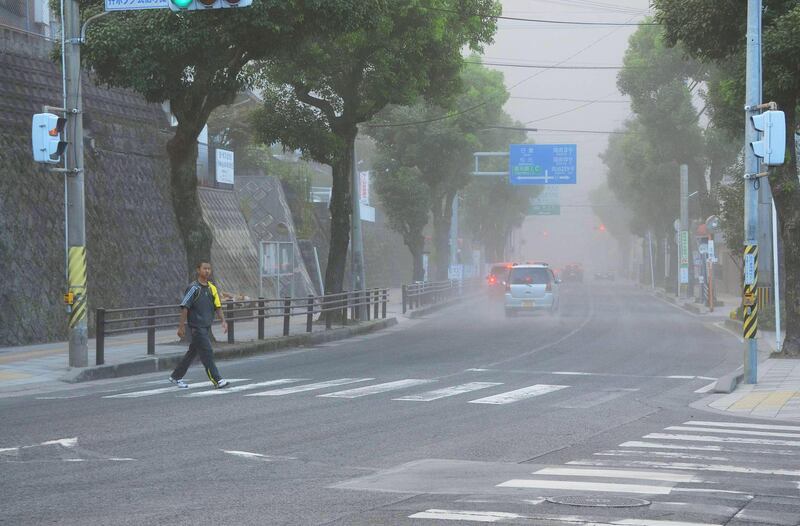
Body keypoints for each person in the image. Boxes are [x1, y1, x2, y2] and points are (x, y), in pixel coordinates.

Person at [168, 261, 229, 389]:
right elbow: (185, 307)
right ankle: (217, 380)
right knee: (207, 352)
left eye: (209, 269)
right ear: (198, 270)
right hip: (197, 327)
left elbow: (218, 306)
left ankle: (176, 376)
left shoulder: (212, 288)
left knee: (192, 353)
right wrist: (181, 327)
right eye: (204, 268)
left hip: (206, 327)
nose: (207, 271)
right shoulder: (193, 288)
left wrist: (223, 321)